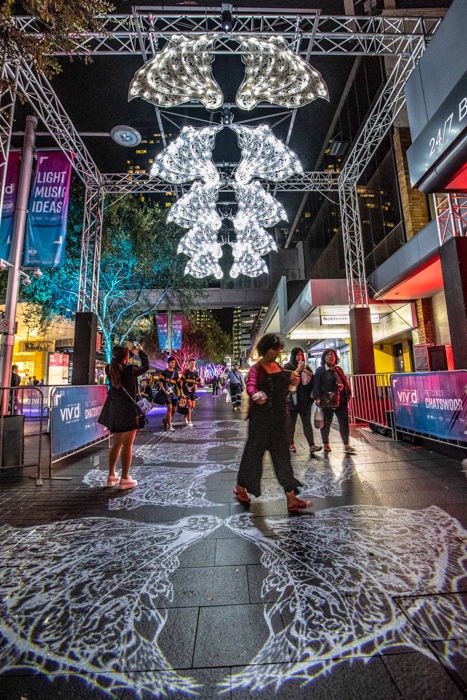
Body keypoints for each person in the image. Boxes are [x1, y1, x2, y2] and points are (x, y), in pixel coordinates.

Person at [234, 333, 312, 512]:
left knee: (283, 459)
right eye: (276, 349)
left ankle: (291, 498)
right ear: (266, 349)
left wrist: (293, 380)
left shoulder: (278, 367)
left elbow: (287, 386)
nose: (278, 352)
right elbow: (250, 384)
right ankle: (240, 487)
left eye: (279, 349)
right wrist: (255, 394)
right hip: (260, 422)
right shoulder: (256, 368)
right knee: (252, 458)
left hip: (278, 420)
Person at [98, 343, 149, 489]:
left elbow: (120, 360)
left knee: (117, 444)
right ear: (126, 357)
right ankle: (125, 479)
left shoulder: (110, 368)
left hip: (114, 410)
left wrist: (130, 352)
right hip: (128, 411)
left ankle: (111, 476)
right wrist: (141, 352)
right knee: (127, 445)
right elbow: (145, 366)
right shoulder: (129, 370)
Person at [313, 347, 355, 454]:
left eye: (332, 355)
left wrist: (348, 394)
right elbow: (316, 385)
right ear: (324, 358)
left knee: (344, 422)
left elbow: (345, 382)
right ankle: (326, 443)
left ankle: (346, 444)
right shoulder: (321, 370)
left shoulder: (338, 369)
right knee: (327, 422)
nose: (330, 357)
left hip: (341, 400)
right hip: (328, 400)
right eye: (327, 355)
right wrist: (317, 398)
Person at [284, 348, 322, 455]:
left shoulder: (306, 367)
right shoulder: (288, 367)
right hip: (293, 401)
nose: (299, 357)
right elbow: (287, 380)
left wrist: (309, 373)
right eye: (297, 355)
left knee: (307, 423)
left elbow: (313, 381)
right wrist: (299, 370)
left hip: (305, 401)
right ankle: (290, 444)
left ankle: (311, 445)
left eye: (301, 355)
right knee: (291, 424)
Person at [159, 356, 180, 432]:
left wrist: (181, 392)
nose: (173, 364)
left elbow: (178, 383)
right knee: (170, 408)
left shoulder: (176, 373)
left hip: (174, 393)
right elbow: (161, 383)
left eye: (174, 363)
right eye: (171, 362)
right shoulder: (164, 372)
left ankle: (166, 420)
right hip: (167, 393)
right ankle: (170, 425)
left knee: (174, 409)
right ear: (168, 363)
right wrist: (164, 391)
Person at [181, 358, 198, 427]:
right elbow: (181, 382)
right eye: (191, 363)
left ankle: (185, 415)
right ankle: (189, 420)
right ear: (189, 364)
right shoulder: (185, 372)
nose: (193, 365)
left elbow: (196, 380)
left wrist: (196, 385)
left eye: (194, 363)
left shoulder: (196, 373)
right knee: (190, 405)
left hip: (192, 391)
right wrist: (181, 391)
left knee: (193, 406)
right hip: (186, 391)